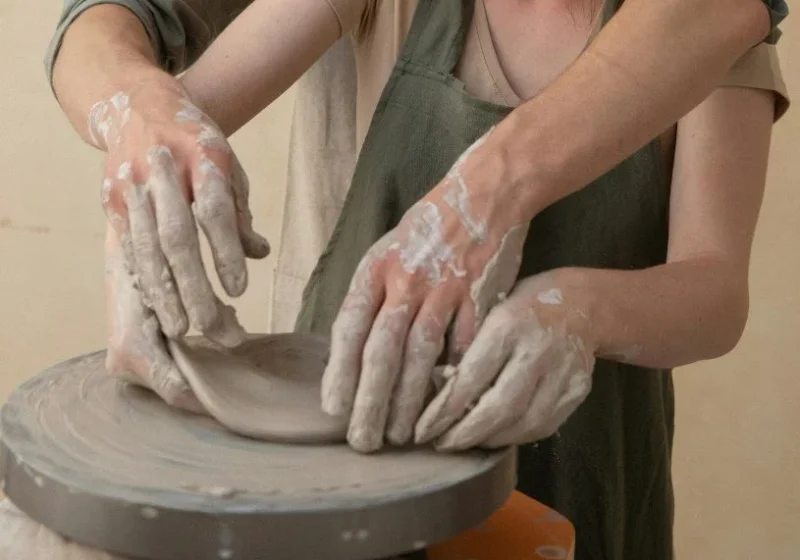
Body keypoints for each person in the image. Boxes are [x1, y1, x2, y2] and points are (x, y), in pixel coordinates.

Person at [11, 0, 786, 558]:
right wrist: (145, 192)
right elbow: (180, 125)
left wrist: (575, 311)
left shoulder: (706, 38)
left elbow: (716, 292)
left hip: (585, 447)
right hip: (338, 466)